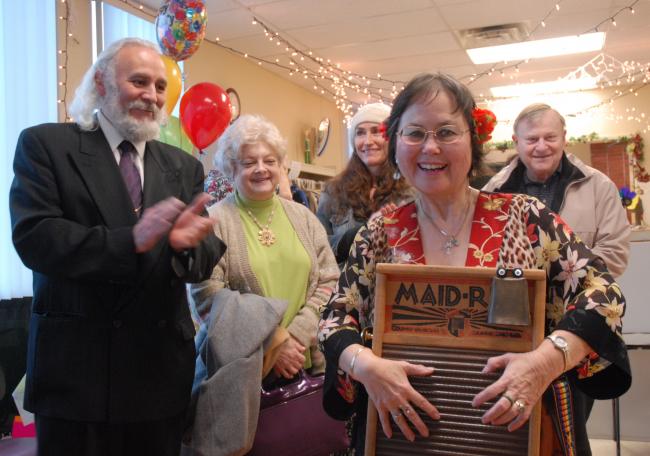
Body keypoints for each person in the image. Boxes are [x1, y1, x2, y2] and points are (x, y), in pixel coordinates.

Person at [318, 73, 631, 455]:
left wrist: (545, 362)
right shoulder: (380, 232)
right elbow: (336, 318)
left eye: (447, 132)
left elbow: (603, 296)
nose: (430, 147)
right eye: (414, 133)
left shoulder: (526, 218)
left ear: (472, 141)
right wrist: (365, 366)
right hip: (404, 440)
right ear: (396, 144)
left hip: (517, 436)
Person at [9, 38, 225, 456]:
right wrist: (131, 241)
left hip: (157, 377)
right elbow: (36, 238)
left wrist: (182, 248)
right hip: (77, 378)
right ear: (101, 83)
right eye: (139, 81)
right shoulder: (47, 146)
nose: (152, 95)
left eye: (161, 87)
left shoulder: (183, 166)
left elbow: (207, 251)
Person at [187, 114, 339, 454]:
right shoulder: (214, 221)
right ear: (231, 168)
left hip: (307, 359)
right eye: (248, 162)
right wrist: (275, 342)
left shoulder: (303, 217)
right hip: (240, 375)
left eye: (269, 161)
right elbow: (207, 296)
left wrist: (298, 334)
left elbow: (330, 278)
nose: (261, 169)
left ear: (281, 166)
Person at [483, 103, 630, 277]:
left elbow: (615, 252)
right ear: (517, 142)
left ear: (564, 138)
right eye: (532, 139)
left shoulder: (599, 186)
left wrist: (561, 283)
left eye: (550, 137)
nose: (542, 146)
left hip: (580, 300)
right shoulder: (493, 191)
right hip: (514, 300)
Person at [316, 102, 411, 265]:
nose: (367, 141)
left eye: (376, 132)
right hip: (344, 286)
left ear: (391, 137)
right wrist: (363, 232)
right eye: (360, 133)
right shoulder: (334, 191)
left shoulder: (413, 190)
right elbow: (318, 248)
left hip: (394, 285)